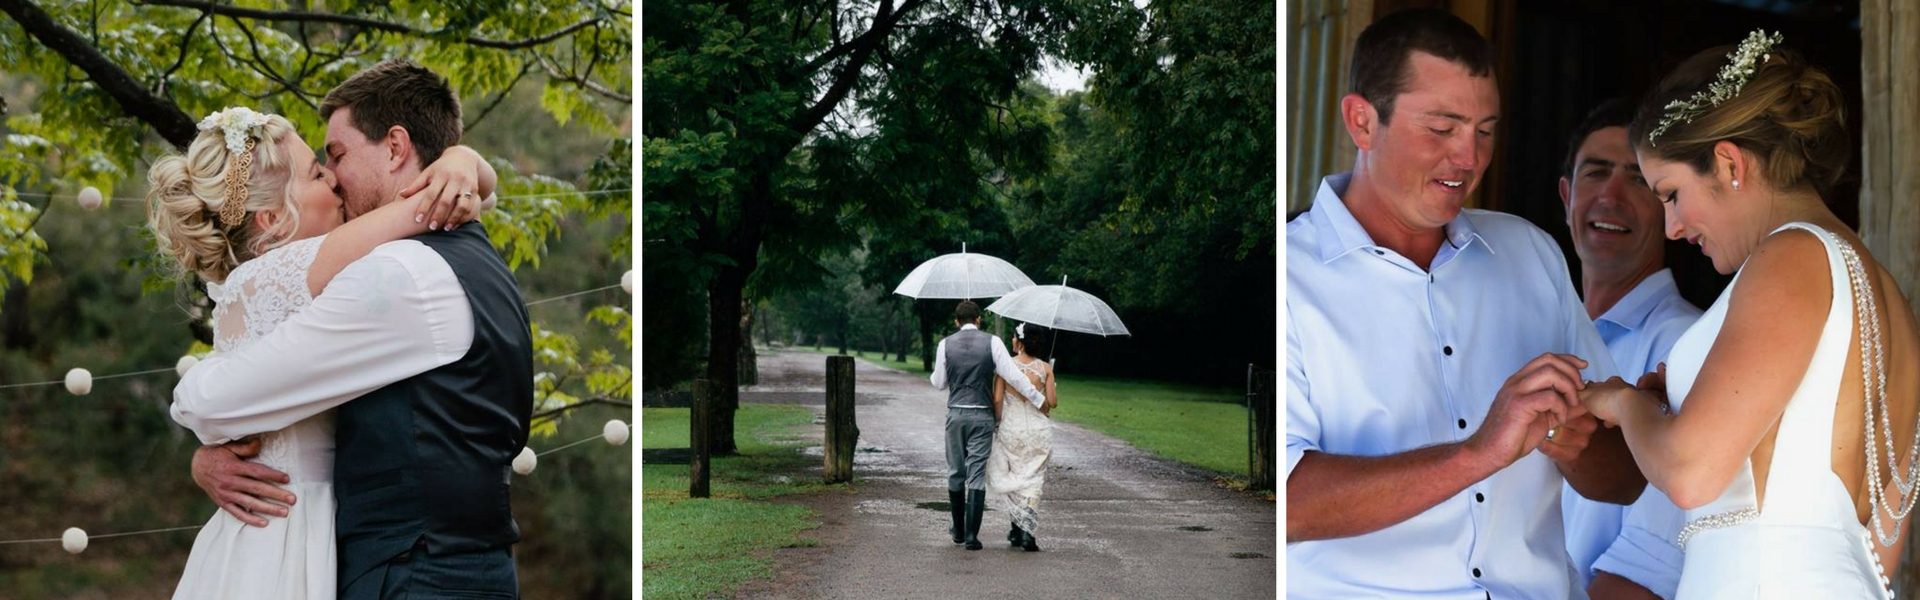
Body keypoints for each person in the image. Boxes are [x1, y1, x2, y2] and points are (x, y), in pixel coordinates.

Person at [1285, 8, 1646, 598]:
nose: (1469, 158)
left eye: (1484, 131)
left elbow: (1623, 479)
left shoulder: (1532, 253)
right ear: (1362, 122)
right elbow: (1288, 504)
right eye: (1441, 128)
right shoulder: (1289, 277)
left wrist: (1572, 440)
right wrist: (1480, 451)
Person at [171, 59, 536, 599]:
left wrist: (464, 163)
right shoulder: (468, 254)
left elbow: (215, 400)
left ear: (395, 147)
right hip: (428, 565)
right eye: (318, 169)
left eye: (336, 156)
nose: (333, 176)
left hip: (414, 576)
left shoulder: (395, 275)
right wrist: (465, 163)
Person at [1582, 30, 1919, 598]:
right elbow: (1883, 545)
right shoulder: (1890, 303)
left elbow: (1690, 474)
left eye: (1671, 193)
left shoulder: (1792, 256)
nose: (1673, 228)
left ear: (1728, 163)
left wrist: (1621, 401)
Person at [1556, 98, 1703, 599]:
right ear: (1566, 196)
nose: (1611, 196)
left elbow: (1646, 572)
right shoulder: (1542, 331)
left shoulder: (1685, 344)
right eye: (1596, 172)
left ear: (1669, 203)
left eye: (1638, 179)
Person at [930, 300, 1045, 550]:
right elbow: (1013, 375)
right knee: (976, 475)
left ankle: (958, 530)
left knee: (955, 471)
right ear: (979, 320)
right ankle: (972, 537)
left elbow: (939, 383)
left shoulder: (945, 344)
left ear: (956, 321)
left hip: (956, 414)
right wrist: (1038, 398)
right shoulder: (993, 342)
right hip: (982, 415)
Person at [986, 322, 1057, 552]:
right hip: (1038, 430)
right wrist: (1051, 381)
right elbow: (1052, 403)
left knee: (1015, 475)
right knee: (1033, 478)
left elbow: (998, 400)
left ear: (1020, 342)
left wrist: (998, 423)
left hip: (1012, 428)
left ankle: (1017, 530)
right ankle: (1027, 533)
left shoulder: (1005, 367)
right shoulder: (1045, 368)